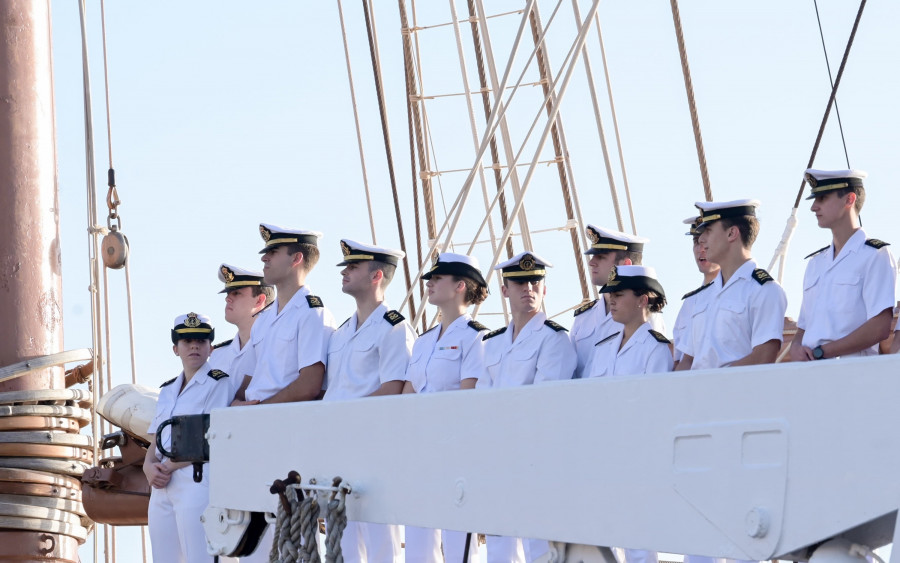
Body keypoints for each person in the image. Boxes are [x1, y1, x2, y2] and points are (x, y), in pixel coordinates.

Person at [477, 251, 575, 563]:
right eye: (519, 282)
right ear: (505, 290)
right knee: (499, 547)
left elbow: (544, 405)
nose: (528, 288)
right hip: (497, 457)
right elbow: (482, 400)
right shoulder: (491, 343)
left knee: (539, 548)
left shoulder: (554, 339)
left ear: (544, 289)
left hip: (536, 457)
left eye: (535, 281)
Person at [323, 239, 417, 563]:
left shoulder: (394, 328)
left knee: (381, 548)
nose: (345, 272)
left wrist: (344, 415)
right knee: (343, 546)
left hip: (376, 451)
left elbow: (394, 389)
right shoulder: (340, 334)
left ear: (377, 276)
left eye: (353, 266)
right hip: (339, 449)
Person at [401, 253, 489, 563]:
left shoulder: (476, 337)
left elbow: (468, 401)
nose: (430, 283)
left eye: (438, 278)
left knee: (457, 546)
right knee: (417, 544)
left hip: (455, 454)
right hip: (420, 452)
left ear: (460, 286)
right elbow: (408, 396)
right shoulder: (423, 341)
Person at [145, 313, 232, 563]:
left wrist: (166, 467)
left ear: (210, 348)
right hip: (161, 485)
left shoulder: (218, 383)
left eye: (201, 341)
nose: (194, 346)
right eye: (187, 341)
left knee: (200, 557)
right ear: (176, 348)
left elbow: (211, 435)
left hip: (196, 478)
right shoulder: (167, 390)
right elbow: (156, 438)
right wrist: (147, 466)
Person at [788, 169, 896, 360]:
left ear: (849, 199)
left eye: (822, 198)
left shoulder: (875, 255)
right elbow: (803, 329)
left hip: (852, 373)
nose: (814, 207)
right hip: (810, 371)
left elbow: (879, 326)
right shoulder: (815, 263)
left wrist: (824, 352)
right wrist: (795, 347)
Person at [676, 199, 787, 371]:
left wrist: (712, 382)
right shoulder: (702, 296)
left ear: (732, 234)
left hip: (736, 394)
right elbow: (687, 361)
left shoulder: (764, 290)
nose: (702, 241)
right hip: (697, 394)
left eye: (708, 231)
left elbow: (763, 356)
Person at [234, 223, 336, 406]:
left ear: (296, 258)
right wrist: (236, 403)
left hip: (287, 421)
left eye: (273, 252)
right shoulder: (263, 319)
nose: (264, 258)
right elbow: (249, 381)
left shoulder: (312, 314)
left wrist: (260, 409)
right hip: (255, 419)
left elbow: (310, 385)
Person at [570, 225, 663, 378]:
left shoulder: (644, 314)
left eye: (601, 257)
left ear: (626, 265)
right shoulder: (583, 318)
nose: (591, 262)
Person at [588, 265, 672, 379]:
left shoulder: (655, 347)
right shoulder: (604, 346)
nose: (612, 301)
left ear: (642, 300)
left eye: (618, 295)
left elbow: (657, 394)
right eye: (611, 295)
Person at [209, 263, 273, 403]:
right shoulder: (217, 355)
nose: (227, 298)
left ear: (259, 300)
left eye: (236, 293)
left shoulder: (274, 345)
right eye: (228, 293)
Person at [672, 216, 721, 369]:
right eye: (696, 242)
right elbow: (679, 362)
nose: (701, 249)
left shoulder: (735, 292)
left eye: (706, 242)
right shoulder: (689, 303)